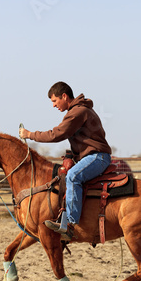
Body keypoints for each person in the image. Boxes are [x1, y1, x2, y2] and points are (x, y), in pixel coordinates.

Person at [19, 81, 112, 240]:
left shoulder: (78, 112)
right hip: (91, 156)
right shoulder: (79, 110)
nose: (54, 105)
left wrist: (30, 134)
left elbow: (57, 134)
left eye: (55, 101)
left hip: (97, 157)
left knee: (73, 176)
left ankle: (70, 224)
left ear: (64, 96)